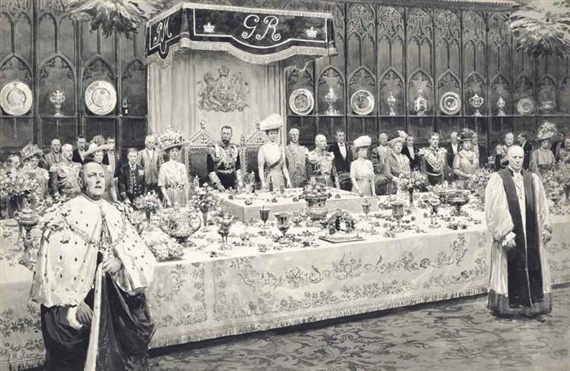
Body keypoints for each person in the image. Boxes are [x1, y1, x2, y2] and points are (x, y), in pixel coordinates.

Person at [30, 161, 156, 371]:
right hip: (82, 297)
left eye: (101, 175)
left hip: (113, 295)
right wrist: (74, 303)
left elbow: (138, 252)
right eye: (91, 176)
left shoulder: (115, 211)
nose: (98, 179)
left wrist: (120, 263)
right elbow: (55, 265)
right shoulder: (66, 213)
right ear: (81, 181)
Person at [485, 145, 552, 318]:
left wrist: (545, 226)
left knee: (532, 263)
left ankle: (531, 304)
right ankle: (511, 306)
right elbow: (495, 208)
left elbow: (542, 206)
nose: (517, 160)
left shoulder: (533, 179)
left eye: (520, 157)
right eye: (514, 157)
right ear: (508, 158)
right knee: (512, 265)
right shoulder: (499, 179)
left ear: (524, 158)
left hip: (530, 233)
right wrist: (506, 233)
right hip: (512, 234)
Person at [258, 114, 291, 191]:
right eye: (271, 133)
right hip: (269, 178)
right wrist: (262, 181)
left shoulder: (280, 147)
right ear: (267, 134)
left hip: (280, 178)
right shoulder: (263, 148)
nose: (273, 136)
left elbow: (284, 167)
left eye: (275, 133)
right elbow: (260, 167)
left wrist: (288, 179)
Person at [157, 132, 189, 207]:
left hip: (181, 195)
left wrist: (187, 201)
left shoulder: (182, 166)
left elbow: (186, 185)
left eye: (176, 151)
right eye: (172, 151)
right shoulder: (164, 166)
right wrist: (167, 199)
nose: (175, 153)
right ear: (168, 152)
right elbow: (162, 186)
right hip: (169, 194)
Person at [207, 125, 242, 191]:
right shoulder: (213, 149)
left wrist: (240, 182)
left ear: (231, 135)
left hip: (232, 181)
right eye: (224, 133)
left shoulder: (234, 148)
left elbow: (238, 168)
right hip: (219, 180)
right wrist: (218, 184)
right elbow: (210, 170)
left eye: (228, 134)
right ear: (221, 134)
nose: (225, 136)